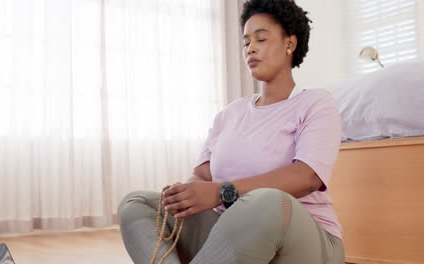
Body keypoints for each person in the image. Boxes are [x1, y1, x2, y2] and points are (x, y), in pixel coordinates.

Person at [118, 0, 345, 263]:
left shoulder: (316, 103)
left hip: (302, 242)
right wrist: (186, 195)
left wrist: (220, 192)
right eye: (246, 42)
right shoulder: (229, 114)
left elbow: (306, 178)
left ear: (289, 44)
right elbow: (203, 174)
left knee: (266, 202)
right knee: (137, 203)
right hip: (229, 234)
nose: (250, 48)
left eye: (261, 38)